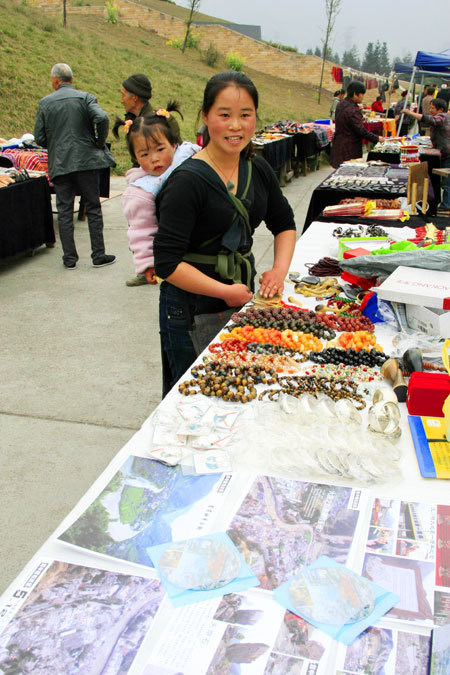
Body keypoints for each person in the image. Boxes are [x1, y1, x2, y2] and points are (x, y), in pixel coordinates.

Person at [154, 71, 297, 396]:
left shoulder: (257, 169)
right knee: (193, 397)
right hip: (190, 307)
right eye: (225, 115)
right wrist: (223, 291)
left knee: (236, 390)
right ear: (205, 117)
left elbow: (284, 223)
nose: (236, 125)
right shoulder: (187, 181)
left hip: (240, 297)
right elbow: (167, 263)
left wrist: (278, 270)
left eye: (245, 115)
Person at [34, 63, 116, 269]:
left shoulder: (45, 103)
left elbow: (39, 137)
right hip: (87, 161)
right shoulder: (86, 97)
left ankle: (69, 259)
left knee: (64, 210)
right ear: (72, 79)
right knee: (93, 207)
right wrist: (98, 142)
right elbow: (102, 117)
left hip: (60, 163)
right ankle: (98, 255)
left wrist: (54, 145)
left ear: (55, 80)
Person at [121, 103, 200, 286]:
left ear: (173, 144)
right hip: (178, 257)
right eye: (144, 154)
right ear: (135, 158)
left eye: (160, 149)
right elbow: (140, 231)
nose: (154, 158)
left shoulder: (189, 153)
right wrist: (148, 264)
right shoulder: (141, 191)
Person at [403, 98, 450, 213]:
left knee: (447, 182)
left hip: (447, 153)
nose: (430, 110)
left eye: (432, 108)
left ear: (441, 109)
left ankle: (446, 205)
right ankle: (442, 202)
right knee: (443, 181)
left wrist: (410, 113)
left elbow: (430, 120)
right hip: (442, 152)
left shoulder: (443, 117)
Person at [330, 81, 384, 168]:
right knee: (348, 173)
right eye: (362, 94)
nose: (362, 97)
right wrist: (377, 138)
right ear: (355, 94)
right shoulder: (352, 109)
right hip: (348, 148)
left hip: (339, 144)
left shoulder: (342, 103)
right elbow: (361, 130)